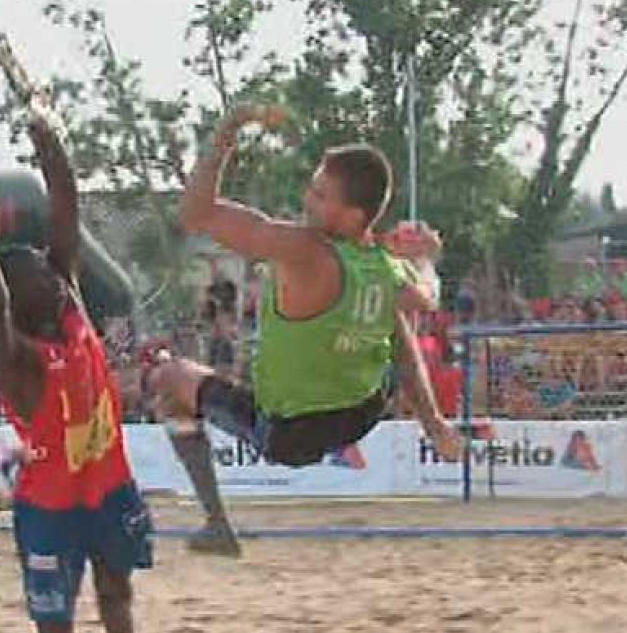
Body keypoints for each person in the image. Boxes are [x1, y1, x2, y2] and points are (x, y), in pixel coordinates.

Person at [0, 35, 154, 633]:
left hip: (106, 490)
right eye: (33, 259)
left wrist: (37, 108)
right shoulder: (16, 355)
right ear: (22, 287)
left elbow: (65, 192)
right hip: (49, 508)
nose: (49, 255)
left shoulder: (65, 291)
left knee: (118, 607)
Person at [149, 103, 462, 555]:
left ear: (353, 215)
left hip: (291, 433)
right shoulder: (383, 265)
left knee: (168, 378)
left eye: (320, 196)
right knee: (392, 320)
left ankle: (217, 524)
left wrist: (228, 129)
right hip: (364, 411)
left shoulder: (303, 249)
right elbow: (425, 298)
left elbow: (197, 214)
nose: (306, 201)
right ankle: (430, 423)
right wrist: (426, 254)